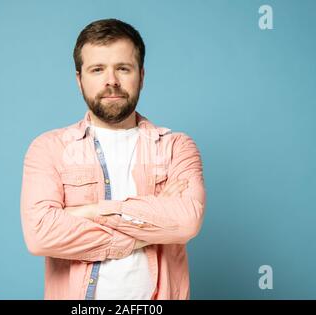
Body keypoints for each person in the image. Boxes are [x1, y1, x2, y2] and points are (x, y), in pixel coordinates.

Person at [20, 18, 206, 300]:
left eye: (123, 68)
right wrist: (151, 227)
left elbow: (186, 223)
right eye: (97, 69)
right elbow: (40, 235)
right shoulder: (48, 149)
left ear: (141, 75)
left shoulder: (176, 147)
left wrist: (90, 211)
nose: (111, 81)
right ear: (79, 78)